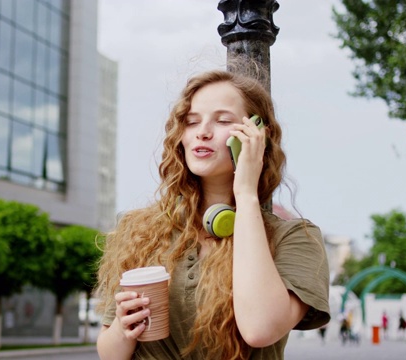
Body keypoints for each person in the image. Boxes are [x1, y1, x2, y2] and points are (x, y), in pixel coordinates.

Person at [95, 60, 331, 360]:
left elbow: (259, 329)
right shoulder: (137, 229)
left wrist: (245, 193)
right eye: (191, 121)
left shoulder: (295, 238)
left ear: (257, 134)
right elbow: (109, 353)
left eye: (222, 120)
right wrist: (121, 326)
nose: (202, 132)